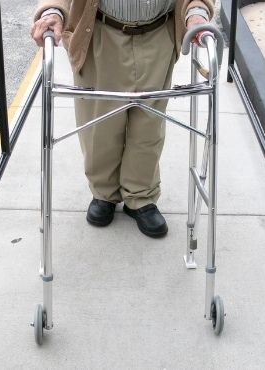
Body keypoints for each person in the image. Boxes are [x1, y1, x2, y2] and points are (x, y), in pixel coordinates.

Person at [30, 0, 214, 238]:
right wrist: (53, 11)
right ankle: (103, 193)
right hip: (101, 32)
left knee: (149, 124)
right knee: (100, 125)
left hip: (158, 34)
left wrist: (196, 13)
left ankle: (141, 196)